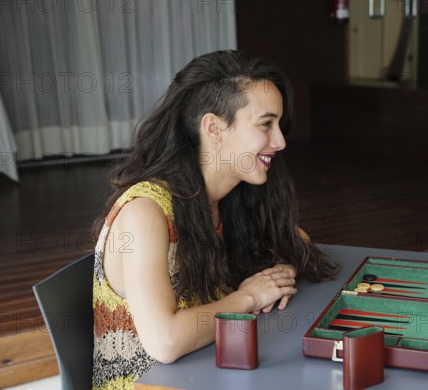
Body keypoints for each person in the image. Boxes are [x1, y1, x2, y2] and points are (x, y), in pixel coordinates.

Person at [90, 50, 340, 389]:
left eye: (279, 126)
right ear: (214, 128)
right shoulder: (144, 212)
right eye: (266, 124)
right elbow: (165, 341)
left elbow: (297, 238)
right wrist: (249, 298)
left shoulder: (227, 199)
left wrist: (281, 273)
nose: (280, 141)